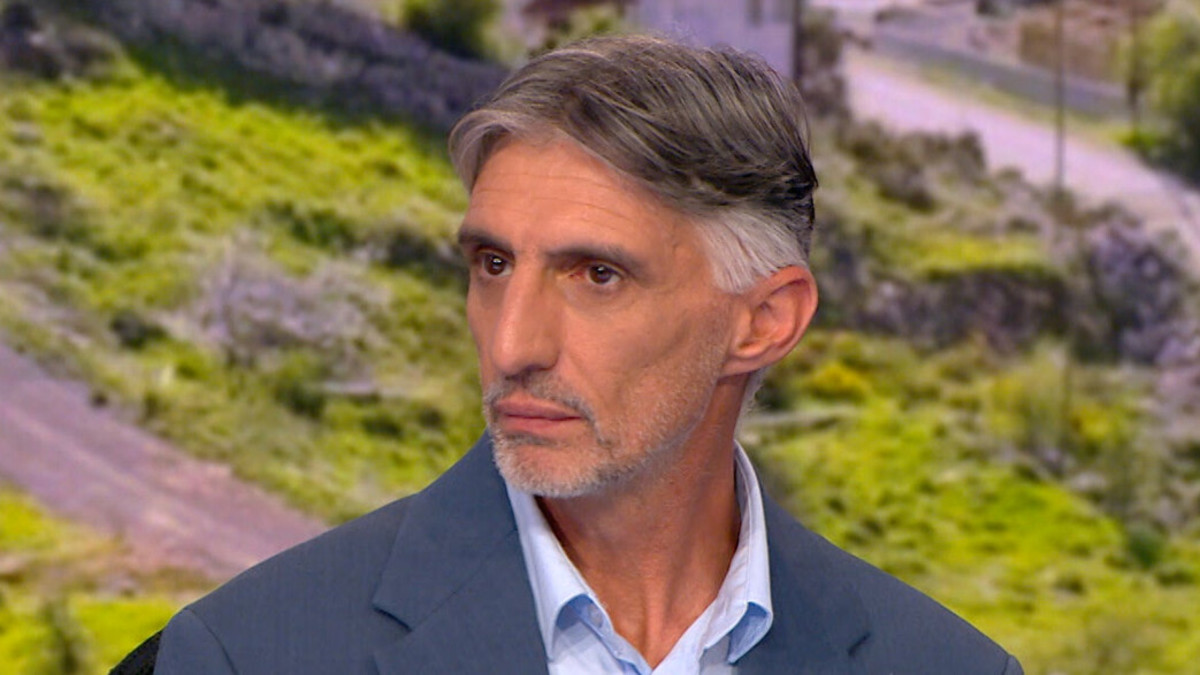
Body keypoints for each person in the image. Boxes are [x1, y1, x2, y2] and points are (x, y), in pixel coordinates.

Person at [128, 35, 1022, 674]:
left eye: (597, 275)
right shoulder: (243, 653)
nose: (511, 344)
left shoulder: (947, 665)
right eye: (493, 264)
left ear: (764, 321)